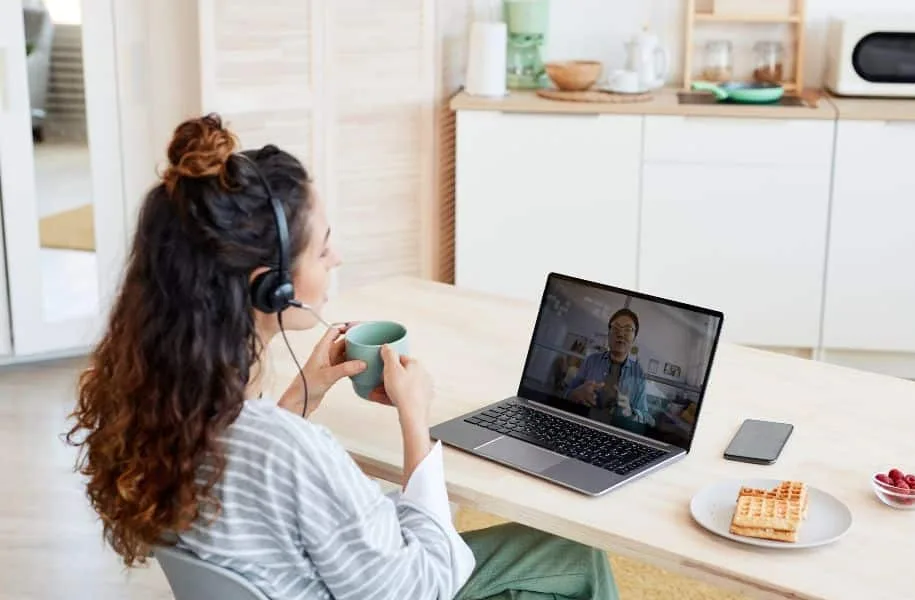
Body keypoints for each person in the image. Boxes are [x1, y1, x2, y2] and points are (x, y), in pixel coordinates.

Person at [64, 114, 620, 600]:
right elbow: (426, 583)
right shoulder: (295, 453)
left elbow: (251, 467)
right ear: (272, 288)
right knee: (578, 557)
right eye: (322, 247)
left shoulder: (150, 407)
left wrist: (308, 388)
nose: (338, 258)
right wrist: (414, 419)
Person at [565, 308, 652, 429]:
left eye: (628, 329)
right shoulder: (591, 360)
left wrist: (630, 413)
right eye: (615, 328)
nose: (620, 334)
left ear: (634, 338)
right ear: (609, 333)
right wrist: (577, 393)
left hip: (618, 433)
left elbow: (647, 418)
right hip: (584, 425)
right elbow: (567, 394)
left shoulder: (638, 374)